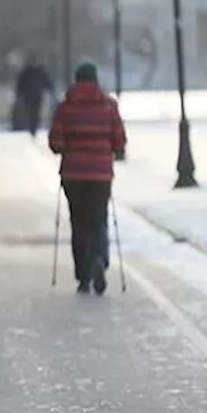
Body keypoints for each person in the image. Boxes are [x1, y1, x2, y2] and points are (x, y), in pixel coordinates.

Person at [48, 61, 127, 295]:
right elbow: (120, 141)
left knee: (79, 223)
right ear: (96, 80)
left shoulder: (65, 108)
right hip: (101, 174)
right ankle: (99, 259)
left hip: (73, 174)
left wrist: (68, 147)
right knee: (99, 219)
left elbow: (56, 143)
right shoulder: (109, 106)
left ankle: (83, 275)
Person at [14, 55, 55, 138]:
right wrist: (50, 90)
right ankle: (33, 127)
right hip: (37, 95)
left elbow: (20, 84)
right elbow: (47, 82)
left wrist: (18, 94)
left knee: (31, 112)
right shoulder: (38, 71)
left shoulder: (26, 72)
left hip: (29, 96)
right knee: (35, 113)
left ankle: (32, 127)